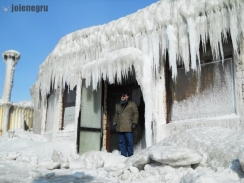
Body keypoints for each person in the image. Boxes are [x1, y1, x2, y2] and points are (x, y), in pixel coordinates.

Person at [113, 91, 139, 157]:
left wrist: (134, 123)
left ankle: (130, 156)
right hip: (120, 127)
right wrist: (115, 123)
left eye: (124, 95)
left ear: (127, 96)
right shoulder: (118, 105)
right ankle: (123, 156)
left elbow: (136, 113)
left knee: (130, 142)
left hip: (129, 127)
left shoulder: (131, 104)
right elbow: (116, 115)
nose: (122, 97)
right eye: (121, 95)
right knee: (121, 142)